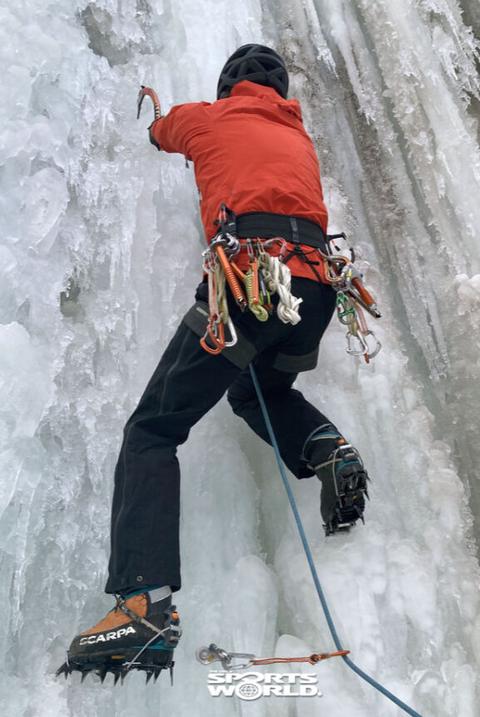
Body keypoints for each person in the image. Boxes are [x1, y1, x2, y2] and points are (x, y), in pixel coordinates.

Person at [58, 44, 369, 682]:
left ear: (229, 87)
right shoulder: (298, 137)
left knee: (153, 428)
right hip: (313, 293)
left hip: (250, 282)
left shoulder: (212, 117)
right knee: (260, 393)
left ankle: (142, 606)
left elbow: (162, 132)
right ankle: (327, 451)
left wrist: (151, 121)